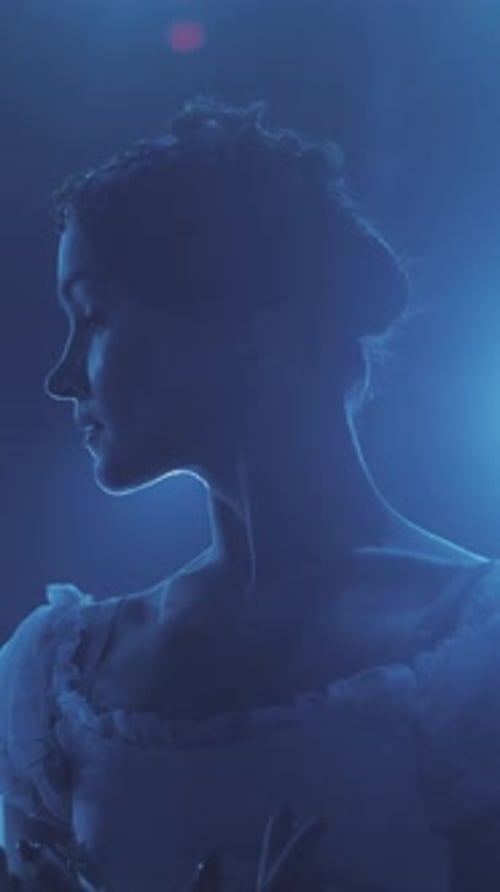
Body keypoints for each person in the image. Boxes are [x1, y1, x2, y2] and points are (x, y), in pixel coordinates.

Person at [1, 95, 500, 891]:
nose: (61, 377)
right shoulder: (58, 679)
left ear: (243, 323)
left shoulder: (479, 657)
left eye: (93, 315)